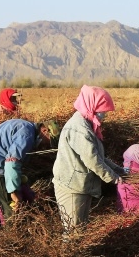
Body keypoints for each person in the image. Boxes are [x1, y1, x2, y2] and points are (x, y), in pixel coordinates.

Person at [52, 85, 126, 234]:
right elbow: (93, 160)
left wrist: (119, 170)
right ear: (92, 105)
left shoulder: (87, 124)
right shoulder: (80, 129)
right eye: (102, 110)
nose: (103, 114)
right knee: (74, 232)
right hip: (72, 187)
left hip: (80, 185)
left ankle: (75, 256)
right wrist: (114, 178)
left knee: (80, 229)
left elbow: (99, 157)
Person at [0, 118, 59, 226]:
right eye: (49, 140)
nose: (47, 145)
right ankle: (11, 240)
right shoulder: (27, 134)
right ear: (45, 130)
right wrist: (14, 192)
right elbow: (12, 162)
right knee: (12, 212)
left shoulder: (23, 125)